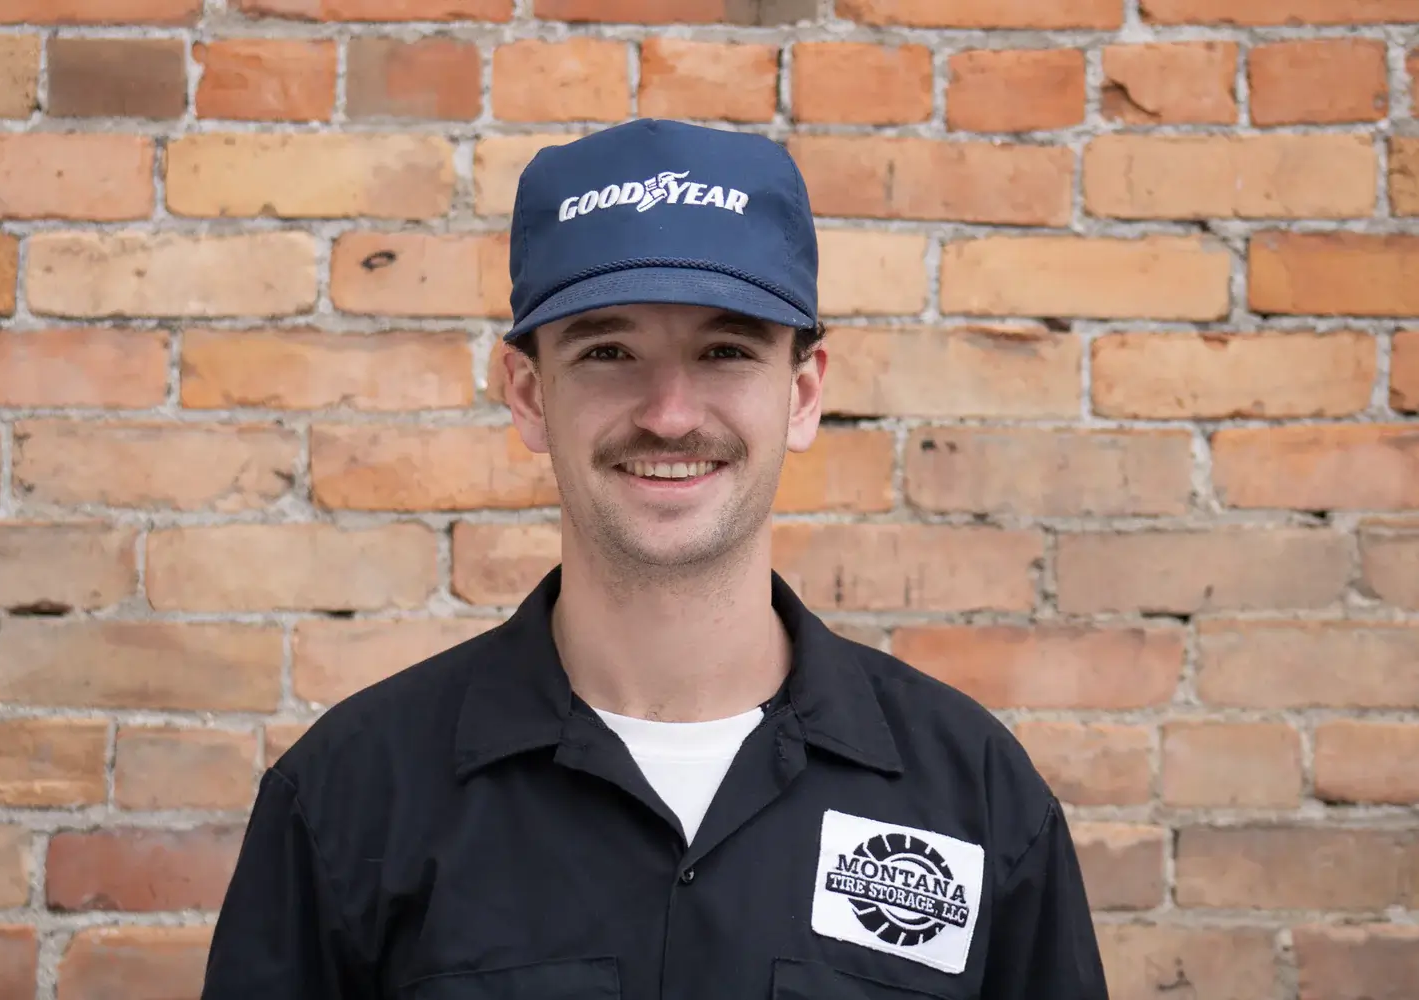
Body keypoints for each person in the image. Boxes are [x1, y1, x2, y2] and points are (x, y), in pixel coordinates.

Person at [200, 118, 1109, 1000]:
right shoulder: (351, 800)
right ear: (529, 394)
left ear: (801, 394)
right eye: (608, 351)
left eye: (725, 351)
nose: (670, 414)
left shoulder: (974, 795)